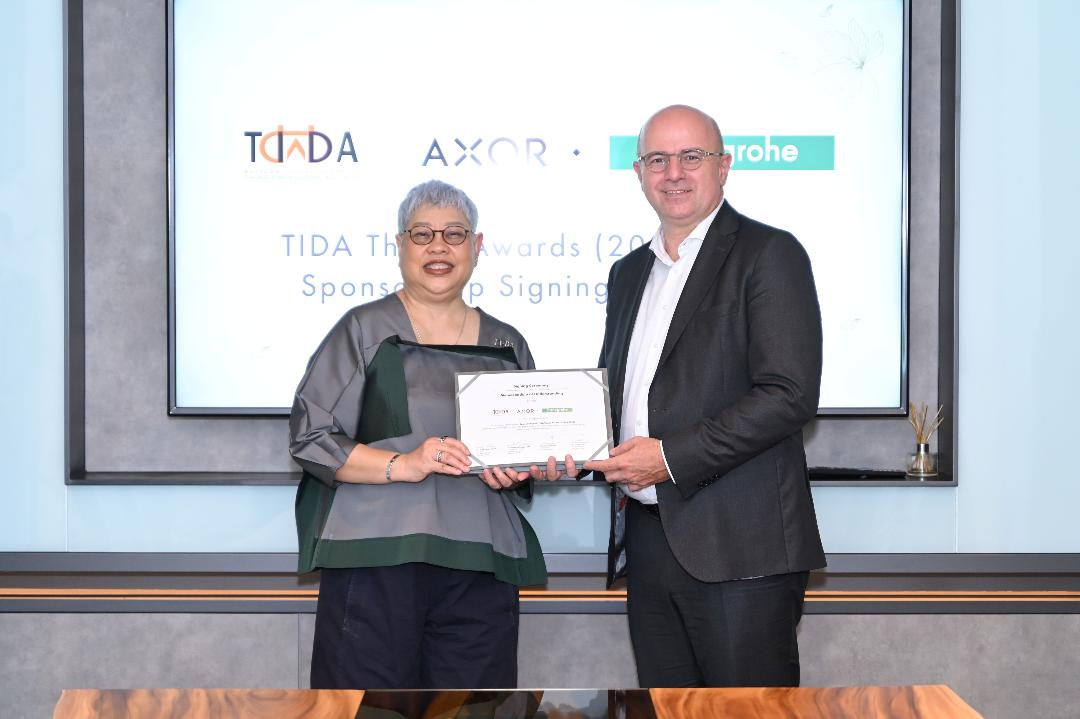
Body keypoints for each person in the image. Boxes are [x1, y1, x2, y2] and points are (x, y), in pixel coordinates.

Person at [582, 105, 826, 687]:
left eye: (691, 157)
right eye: (658, 160)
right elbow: (618, 398)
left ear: (724, 166)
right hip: (648, 542)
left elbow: (789, 394)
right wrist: (568, 447)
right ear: (639, 173)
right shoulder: (628, 273)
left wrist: (668, 458)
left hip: (740, 546)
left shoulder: (769, 253)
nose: (674, 173)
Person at [288, 179, 546, 690]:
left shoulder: (507, 342)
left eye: (454, 234)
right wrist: (403, 464)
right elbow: (310, 436)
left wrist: (524, 468)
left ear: (477, 246)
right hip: (374, 559)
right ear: (400, 245)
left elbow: (525, 452)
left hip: (480, 565)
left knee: (474, 710)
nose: (438, 247)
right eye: (422, 233)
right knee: (368, 710)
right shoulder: (362, 329)